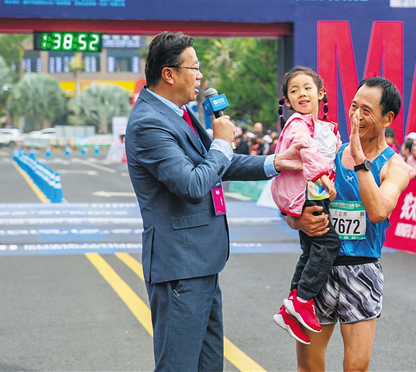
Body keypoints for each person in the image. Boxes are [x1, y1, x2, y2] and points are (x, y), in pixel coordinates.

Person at [125, 32, 305, 371]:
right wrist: (221, 143)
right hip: (180, 266)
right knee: (178, 365)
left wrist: (277, 162)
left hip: (202, 262)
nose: (200, 76)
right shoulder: (149, 123)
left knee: (209, 365)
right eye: (194, 68)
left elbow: (219, 164)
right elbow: (193, 183)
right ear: (169, 74)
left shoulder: (179, 113)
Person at [286, 77, 410, 372]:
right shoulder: (328, 153)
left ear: (388, 118)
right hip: (318, 269)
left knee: (356, 368)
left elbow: (378, 211)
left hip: (362, 271)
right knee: (308, 367)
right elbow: (294, 202)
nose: (356, 116)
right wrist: (297, 221)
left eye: (366, 110)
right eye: (354, 106)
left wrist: (360, 159)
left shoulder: (395, 166)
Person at [270, 66, 341, 345]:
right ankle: (301, 300)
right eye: (294, 90)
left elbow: (337, 155)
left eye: (307, 88)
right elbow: (307, 150)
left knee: (310, 250)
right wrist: (323, 177)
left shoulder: (327, 127)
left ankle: (289, 310)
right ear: (286, 100)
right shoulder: (298, 125)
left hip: (315, 193)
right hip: (308, 194)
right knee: (328, 244)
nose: (302, 94)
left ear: (321, 93)